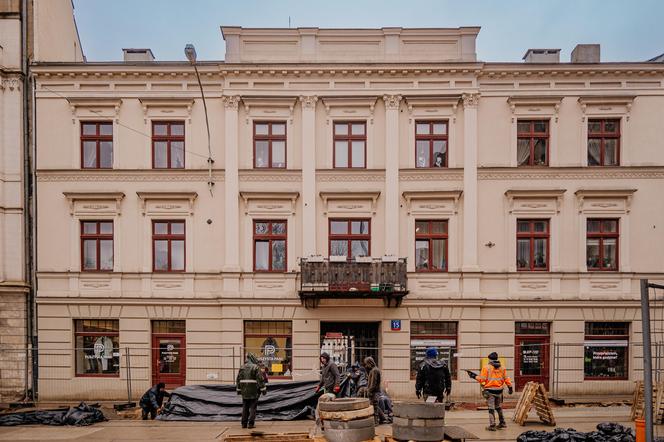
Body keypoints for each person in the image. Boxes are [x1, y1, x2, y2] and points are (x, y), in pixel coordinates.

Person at [468, 352, 513, 431]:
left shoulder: (486, 367)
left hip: (490, 391)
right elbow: (506, 379)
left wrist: (474, 376)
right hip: (499, 391)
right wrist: (510, 387)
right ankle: (502, 423)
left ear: (489, 359)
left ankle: (492, 425)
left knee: (491, 408)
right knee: (498, 407)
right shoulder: (502, 368)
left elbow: (482, 379)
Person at [236, 353, 267, 429]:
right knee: (253, 407)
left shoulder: (242, 367)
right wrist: (263, 390)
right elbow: (260, 379)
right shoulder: (255, 367)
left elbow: (238, 379)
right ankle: (251, 424)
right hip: (254, 391)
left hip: (244, 391)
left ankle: (244, 424)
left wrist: (239, 390)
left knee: (245, 407)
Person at [363, 356, 383, 425]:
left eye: (366, 364)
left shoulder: (374, 370)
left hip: (374, 392)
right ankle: (383, 418)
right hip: (373, 392)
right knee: (375, 406)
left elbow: (373, 383)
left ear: (370, 363)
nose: (366, 366)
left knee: (374, 407)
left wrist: (370, 391)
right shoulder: (373, 370)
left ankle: (376, 422)